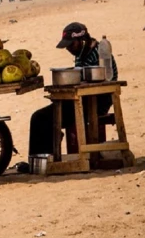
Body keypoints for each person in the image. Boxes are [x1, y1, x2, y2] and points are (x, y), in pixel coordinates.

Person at [28, 23, 118, 156]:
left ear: (82, 40)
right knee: (41, 117)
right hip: (81, 100)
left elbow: (100, 82)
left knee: (40, 118)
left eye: (71, 44)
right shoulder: (81, 53)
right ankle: (41, 159)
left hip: (96, 103)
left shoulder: (98, 52)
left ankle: (44, 159)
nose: (69, 49)